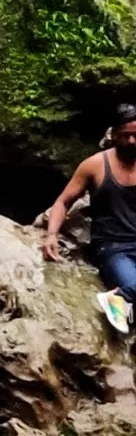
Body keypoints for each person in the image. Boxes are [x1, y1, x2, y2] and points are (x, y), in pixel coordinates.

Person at [43, 103, 136, 334]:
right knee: (133, 285)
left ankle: (129, 308)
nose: (132, 141)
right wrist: (51, 234)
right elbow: (63, 201)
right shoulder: (95, 165)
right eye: (126, 135)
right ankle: (118, 299)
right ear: (114, 134)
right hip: (113, 247)